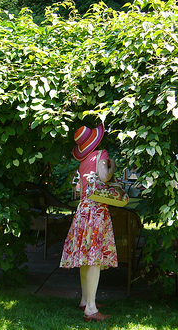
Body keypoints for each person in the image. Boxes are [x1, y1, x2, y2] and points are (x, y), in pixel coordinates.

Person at [60, 124, 118, 322]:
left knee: (85, 257)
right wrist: (112, 166)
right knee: (94, 259)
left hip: (83, 210)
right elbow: (104, 176)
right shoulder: (102, 153)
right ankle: (91, 310)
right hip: (97, 210)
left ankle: (85, 300)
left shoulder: (83, 161)